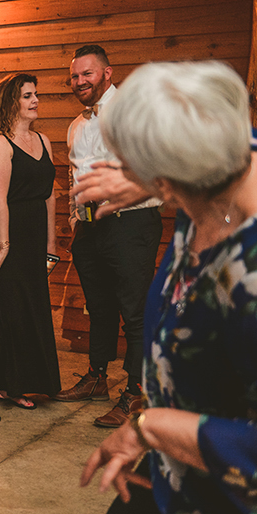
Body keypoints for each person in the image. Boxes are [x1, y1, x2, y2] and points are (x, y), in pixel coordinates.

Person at [75, 60, 257, 514]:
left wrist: (150, 428)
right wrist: (145, 183)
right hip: (174, 487)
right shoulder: (238, 150)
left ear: (176, 175)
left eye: (146, 171)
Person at [53, 45, 163, 428]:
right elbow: (72, 177)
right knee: (98, 306)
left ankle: (135, 390)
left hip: (130, 224)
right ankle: (97, 376)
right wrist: (73, 218)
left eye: (87, 73)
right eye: (74, 76)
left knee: (134, 311)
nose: (79, 81)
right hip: (90, 227)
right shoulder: (76, 125)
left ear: (107, 74)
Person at [0, 74, 61, 421]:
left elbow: (49, 195)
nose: (35, 100)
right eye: (27, 95)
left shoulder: (44, 141)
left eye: (36, 94)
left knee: (25, 313)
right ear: (10, 102)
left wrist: (51, 245)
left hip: (33, 241)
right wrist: (3, 247)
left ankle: (10, 385)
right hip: (2, 238)